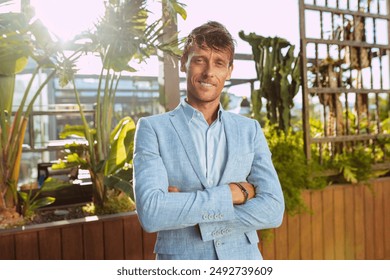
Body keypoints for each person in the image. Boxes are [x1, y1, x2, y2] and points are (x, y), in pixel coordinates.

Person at [133, 21, 284, 260]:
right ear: (184, 63)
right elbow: (152, 213)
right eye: (200, 60)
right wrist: (233, 194)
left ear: (229, 71)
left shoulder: (250, 130)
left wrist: (184, 209)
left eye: (219, 63)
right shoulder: (152, 129)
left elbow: (273, 210)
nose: (208, 73)